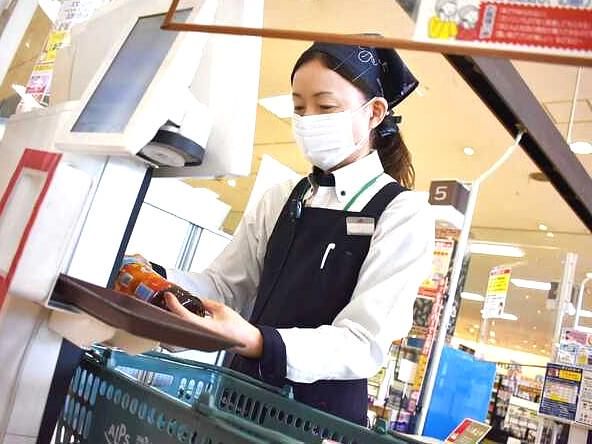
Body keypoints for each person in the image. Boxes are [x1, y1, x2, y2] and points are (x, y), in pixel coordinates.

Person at [144, 42, 434, 425]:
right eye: (298, 107)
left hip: (319, 423)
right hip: (237, 401)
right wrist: (155, 279)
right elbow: (226, 287)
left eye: (325, 106)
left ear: (374, 113)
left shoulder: (402, 213)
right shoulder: (281, 196)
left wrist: (259, 341)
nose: (308, 120)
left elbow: (363, 341)